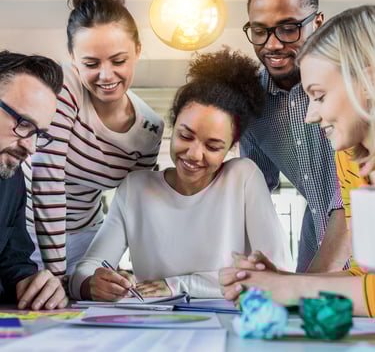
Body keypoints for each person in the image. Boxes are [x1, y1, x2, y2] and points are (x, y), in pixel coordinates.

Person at [69, 48, 293, 301]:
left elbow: (276, 273)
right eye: (185, 136)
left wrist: (180, 285)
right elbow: (87, 268)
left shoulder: (243, 177)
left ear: (231, 146)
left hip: (226, 327)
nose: (194, 154)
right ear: (173, 127)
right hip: (154, 326)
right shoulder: (136, 188)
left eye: (213, 146)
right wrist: (91, 284)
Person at [221, 5, 375, 317]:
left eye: (318, 96)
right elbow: (365, 281)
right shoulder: (349, 161)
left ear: (366, 79)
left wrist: (289, 289)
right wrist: (278, 282)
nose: (310, 115)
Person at [25, 0, 164, 277]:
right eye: (91, 63)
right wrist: (56, 274)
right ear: (73, 58)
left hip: (85, 239)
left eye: (118, 60)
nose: (106, 75)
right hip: (23, 231)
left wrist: (148, 274)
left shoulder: (150, 129)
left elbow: (137, 206)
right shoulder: (65, 83)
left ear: (138, 50)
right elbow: (48, 177)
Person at [240, 0, 349, 272]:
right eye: (260, 31)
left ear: (318, 23)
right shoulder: (253, 106)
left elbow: (352, 197)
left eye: (289, 28)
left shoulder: (351, 86)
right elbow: (254, 196)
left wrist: (307, 286)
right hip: (314, 255)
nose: (272, 44)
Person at [0, 50, 67, 309]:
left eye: (39, 133)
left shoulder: (11, 179)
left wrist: (35, 286)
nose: (30, 147)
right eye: (24, 124)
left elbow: (13, 261)